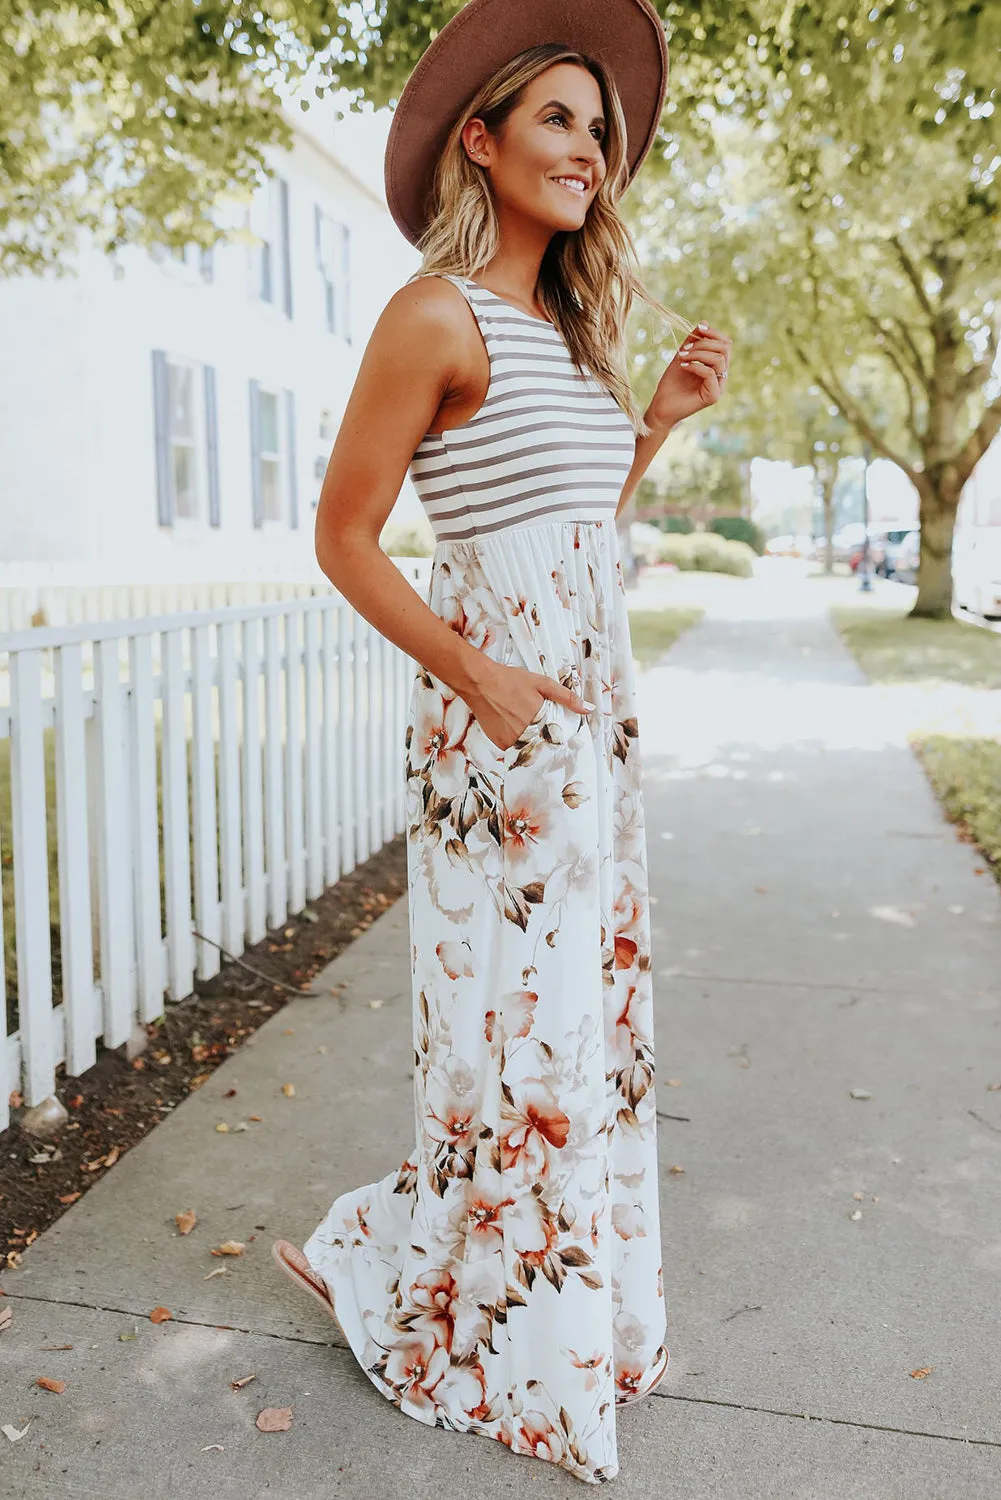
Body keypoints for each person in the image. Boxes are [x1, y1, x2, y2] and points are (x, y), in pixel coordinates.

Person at [272, 0, 732, 1483]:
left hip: (589, 736)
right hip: (497, 738)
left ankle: (549, 1322)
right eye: (556, 119)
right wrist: (477, 678)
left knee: (576, 1036)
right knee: (505, 1041)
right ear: (481, 138)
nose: (588, 150)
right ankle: (466, 1326)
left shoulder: (558, 332)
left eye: (599, 131)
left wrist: (646, 424)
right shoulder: (435, 313)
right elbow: (345, 541)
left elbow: (566, 542)